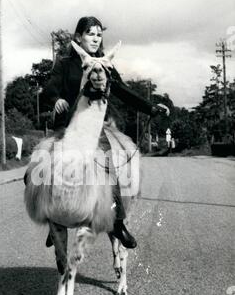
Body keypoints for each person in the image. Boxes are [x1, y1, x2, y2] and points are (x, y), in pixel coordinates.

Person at [42, 16, 166, 248]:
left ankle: (117, 223)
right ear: (78, 37)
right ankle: (53, 218)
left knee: (110, 169)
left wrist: (150, 108)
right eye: (90, 33)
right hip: (66, 127)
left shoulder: (105, 65)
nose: (96, 38)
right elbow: (50, 87)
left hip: (94, 131)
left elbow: (123, 91)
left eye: (99, 34)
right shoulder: (65, 63)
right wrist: (56, 98)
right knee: (37, 170)